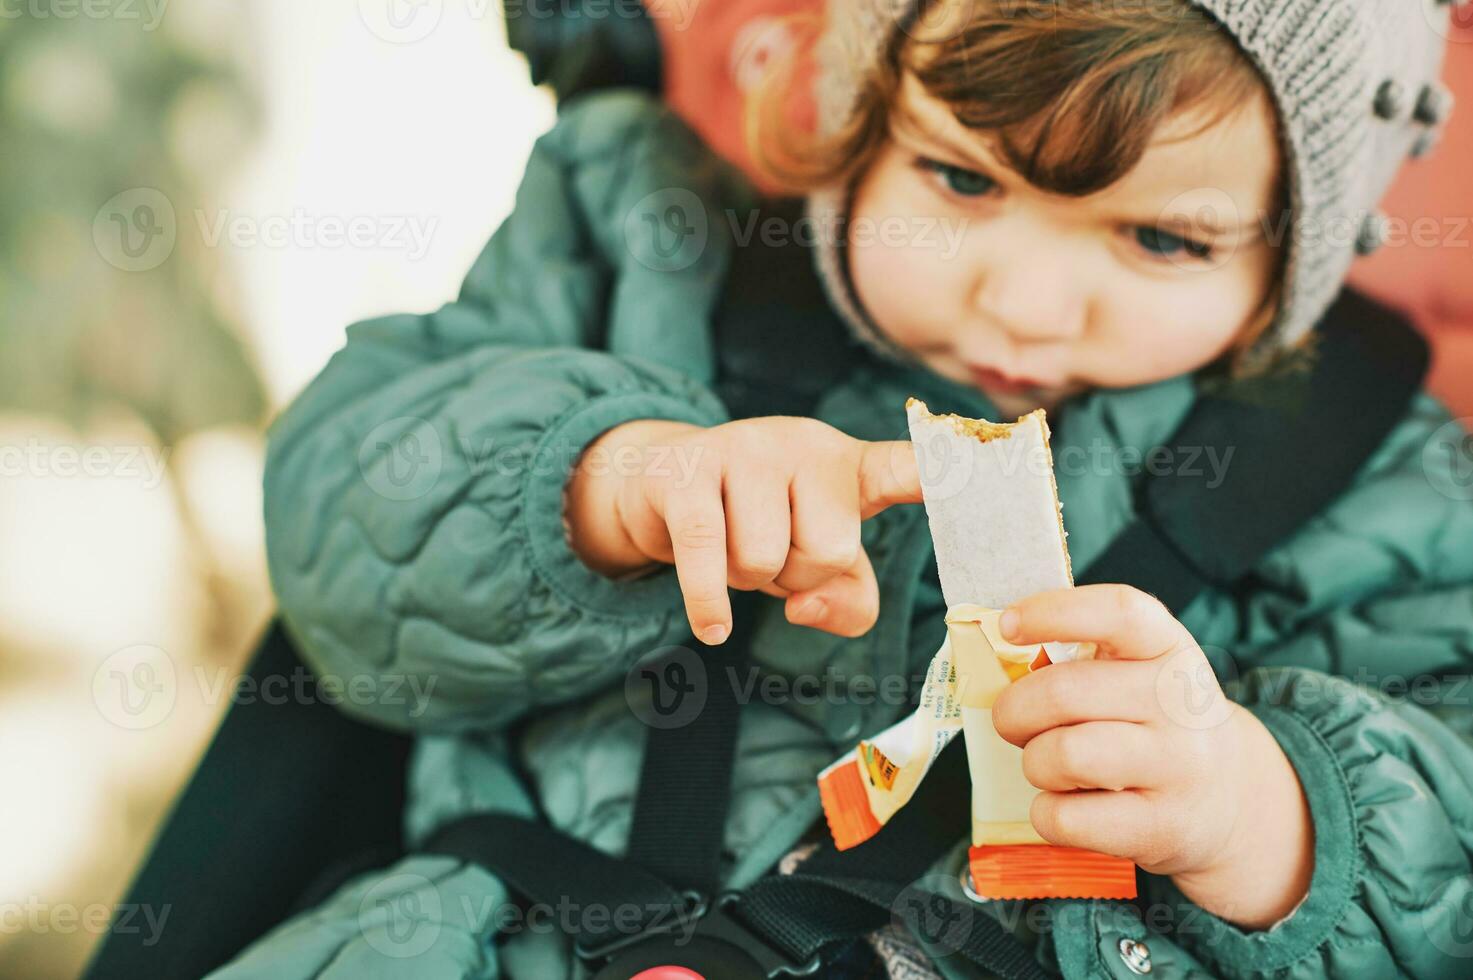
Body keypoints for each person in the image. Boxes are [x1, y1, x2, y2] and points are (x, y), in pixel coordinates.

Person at [216, 1, 1473, 977]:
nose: (1022, 302)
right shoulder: (650, 238)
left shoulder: (1379, 480)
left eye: (1163, 239)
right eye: (961, 180)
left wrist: (1267, 821)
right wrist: (609, 486)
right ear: (865, 112)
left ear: (1288, 256)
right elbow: (341, 516)